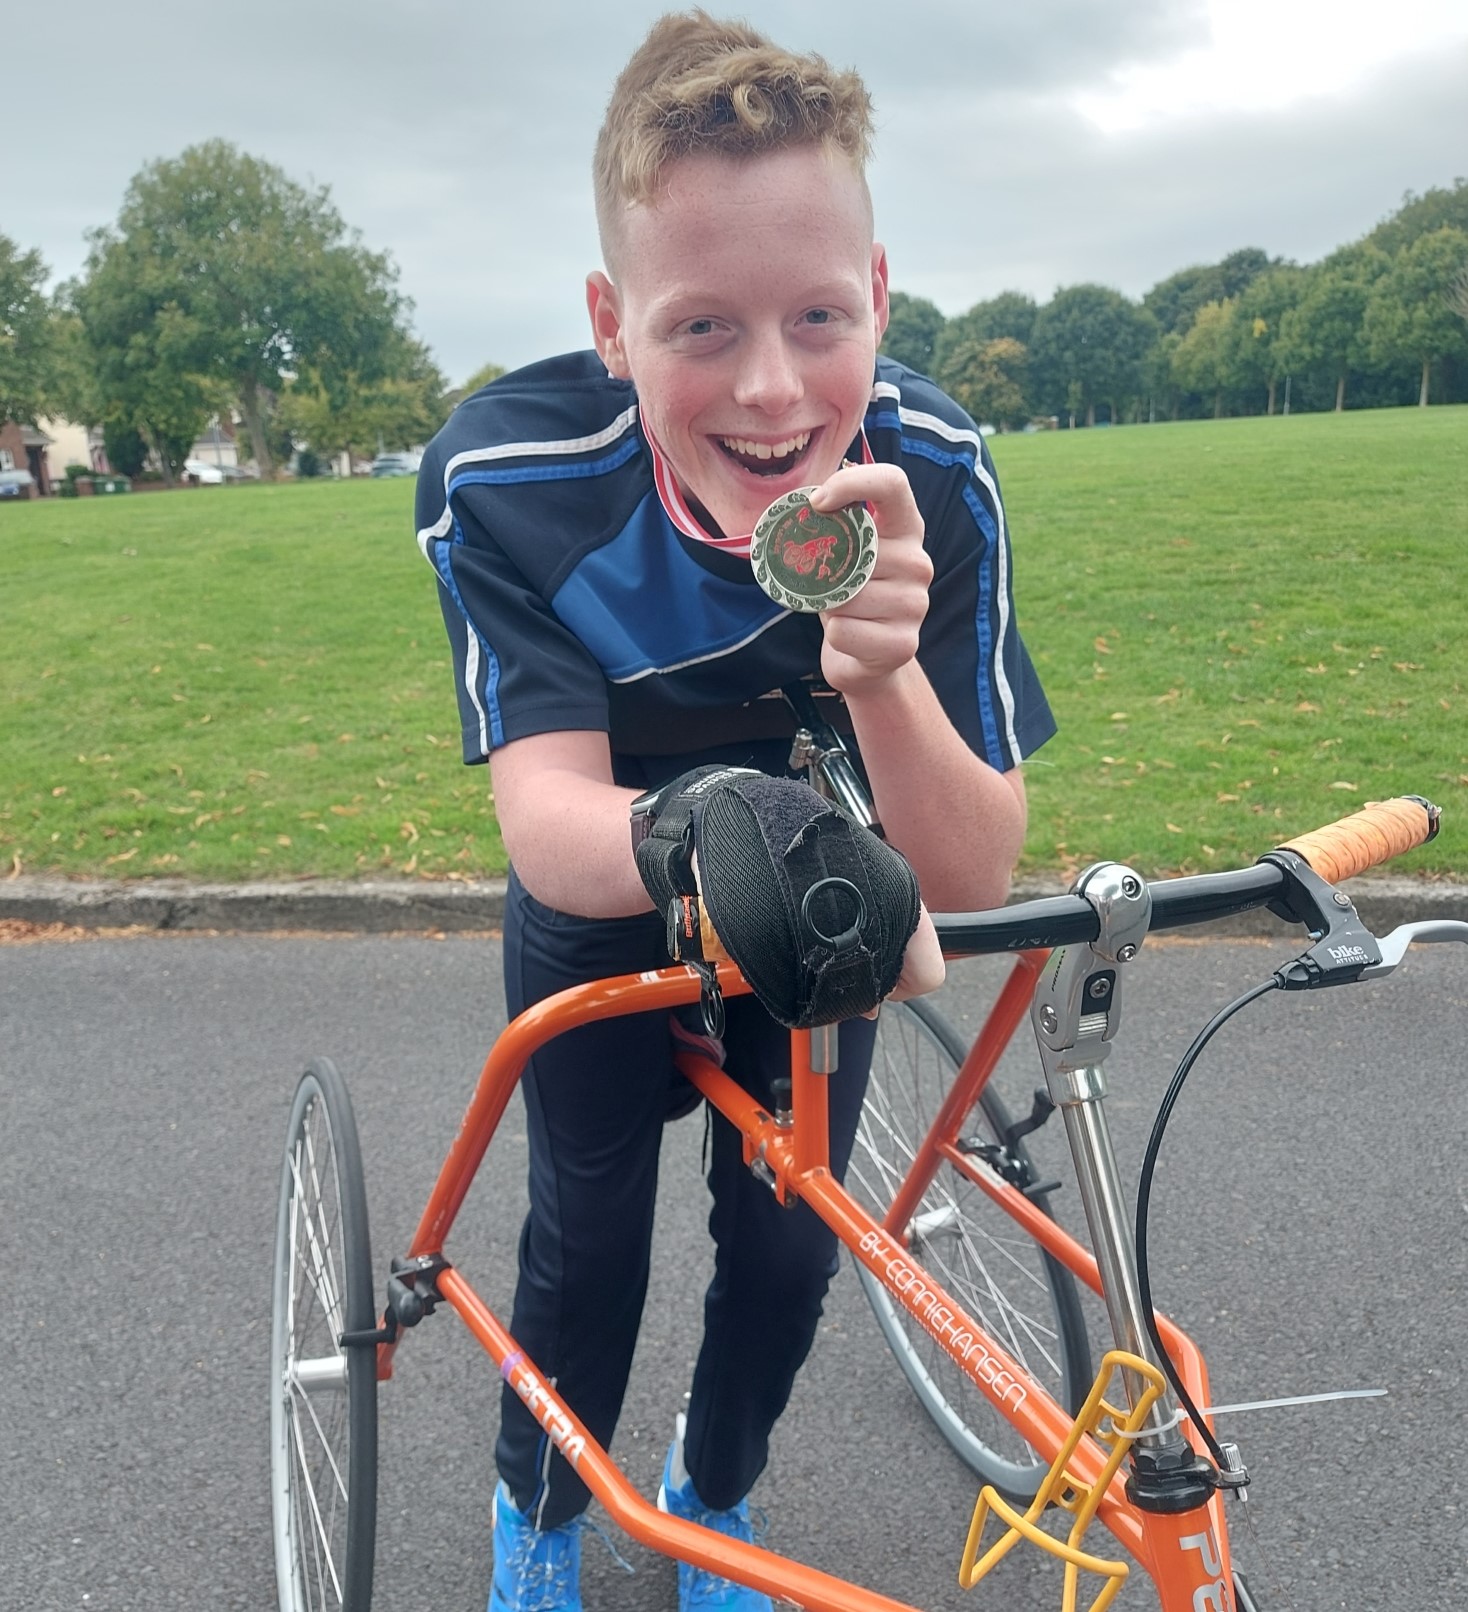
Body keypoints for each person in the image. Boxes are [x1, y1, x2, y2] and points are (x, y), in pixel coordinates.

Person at [415, 12, 1054, 1609]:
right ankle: (540, 1510)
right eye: (701, 327)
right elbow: (546, 814)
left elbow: (969, 863)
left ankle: (721, 1489)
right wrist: (691, 822)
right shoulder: (507, 473)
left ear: (883, 298)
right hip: (613, 881)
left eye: (821, 316)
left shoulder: (938, 469)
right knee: (589, 1244)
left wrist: (885, 672)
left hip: (816, 883)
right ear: (611, 323)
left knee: (788, 1242)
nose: (773, 392)